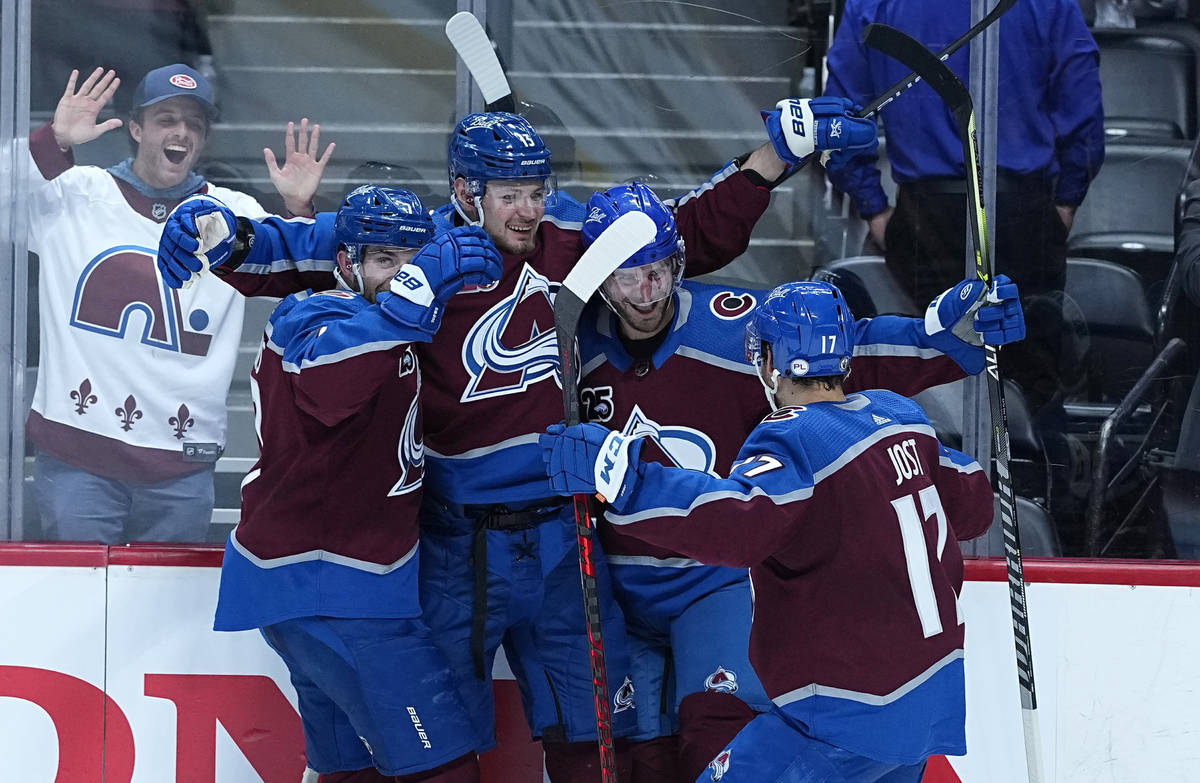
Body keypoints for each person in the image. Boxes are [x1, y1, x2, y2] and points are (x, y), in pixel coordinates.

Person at [156, 102, 876, 781]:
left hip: (564, 537)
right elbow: (313, 247)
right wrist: (225, 234)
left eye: (538, 189)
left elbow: (687, 230)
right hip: (453, 544)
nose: (529, 209)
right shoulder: (419, 250)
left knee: (595, 733)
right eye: (510, 193)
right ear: (465, 190)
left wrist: (775, 156)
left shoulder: (568, 244)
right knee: (440, 745)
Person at [573, 182, 1024, 780]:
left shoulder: (790, 434)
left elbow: (740, 522)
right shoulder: (903, 420)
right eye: (631, 276)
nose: (648, 290)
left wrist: (629, 483)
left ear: (766, 360)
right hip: (920, 701)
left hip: (831, 698)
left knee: (723, 745)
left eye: (659, 270)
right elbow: (970, 504)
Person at [211, 185, 503, 783]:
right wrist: (417, 288)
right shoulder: (314, 314)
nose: (401, 276)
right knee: (442, 766)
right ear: (346, 263)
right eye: (385, 261)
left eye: (411, 261)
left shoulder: (393, 321)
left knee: (347, 770)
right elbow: (325, 383)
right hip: (329, 587)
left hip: (347, 582)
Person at [24, 64, 330, 544]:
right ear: (136, 128)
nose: (181, 132)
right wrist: (54, 141)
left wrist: (298, 212)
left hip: (179, 467)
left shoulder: (231, 216)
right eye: (166, 118)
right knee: (74, 608)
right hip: (77, 461)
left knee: (162, 616)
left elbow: (312, 279)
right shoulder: (78, 194)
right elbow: (7, 199)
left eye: (193, 123)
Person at [822, 0, 1104, 517]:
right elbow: (1082, 107)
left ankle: (924, 517)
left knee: (929, 374)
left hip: (928, 213)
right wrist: (1062, 204)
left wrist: (875, 209)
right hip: (1020, 211)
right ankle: (1043, 531)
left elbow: (840, 114)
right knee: (1028, 385)